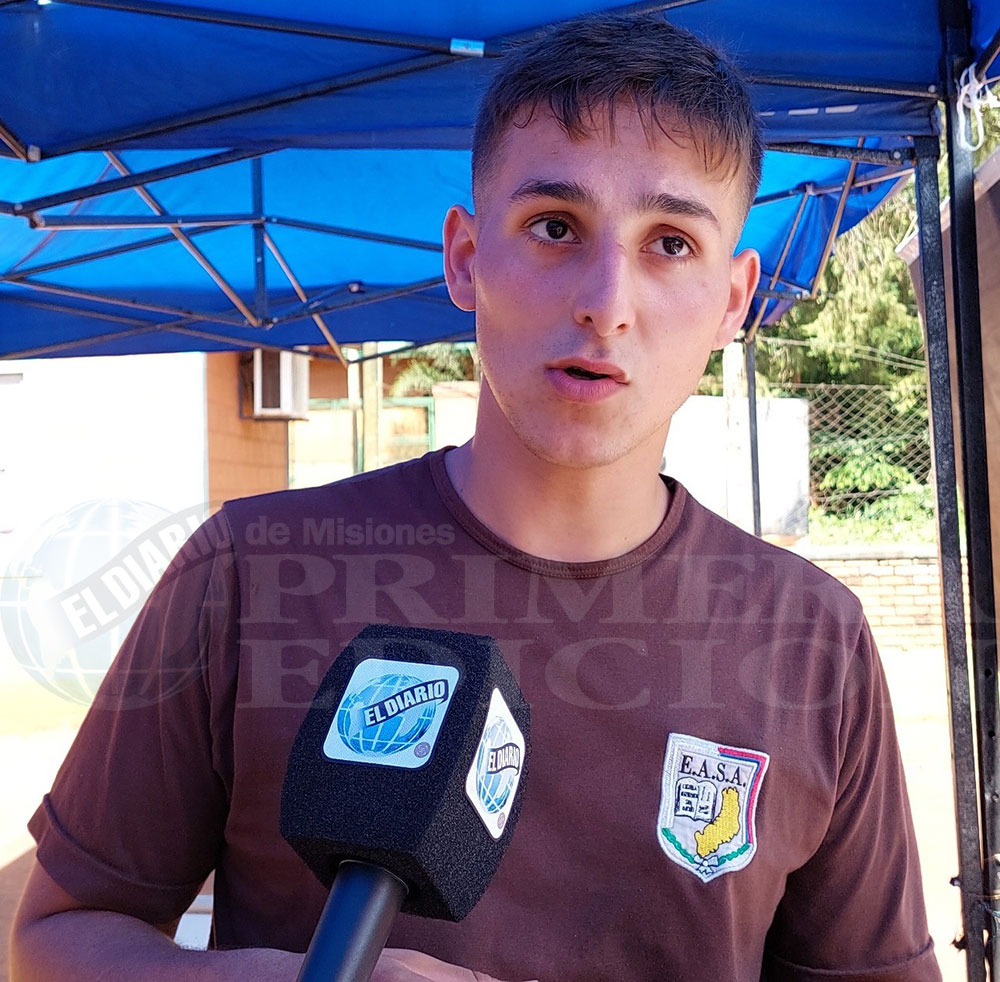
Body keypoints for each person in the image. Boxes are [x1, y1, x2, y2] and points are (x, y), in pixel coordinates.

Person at [11, 12, 940, 982]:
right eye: (555, 227)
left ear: (732, 299)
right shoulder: (250, 570)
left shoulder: (813, 637)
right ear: (464, 258)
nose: (606, 302)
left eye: (669, 243)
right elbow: (56, 938)